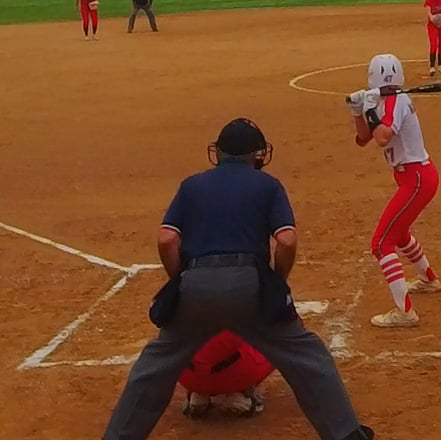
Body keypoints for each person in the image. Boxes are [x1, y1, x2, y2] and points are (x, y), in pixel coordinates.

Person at [100, 119, 372, 440]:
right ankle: (346, 434)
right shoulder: (268, 185)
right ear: (257, 155)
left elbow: (166, 239)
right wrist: (275, 282)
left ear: (219, 153)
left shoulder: (191, 185)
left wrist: (182, 281)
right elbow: (286, 241)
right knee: (306, 355)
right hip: (249, 284)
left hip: (195, 284)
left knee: (154, 365)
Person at [347, 54, 441, 329]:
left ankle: (405, 312)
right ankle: (428, 279)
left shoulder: (395, 102)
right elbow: (363, 138)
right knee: (398, 234)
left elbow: (382, 137)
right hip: (414, 178)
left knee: (381, 243)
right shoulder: (384, 101)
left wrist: (369, 110)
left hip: (417, 179)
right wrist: (358, 111)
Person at [177, 331, 271, 419]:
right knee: (272, 339)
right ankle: (241, 395)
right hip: (236, 375)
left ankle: (199, 395)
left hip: (189, 376)